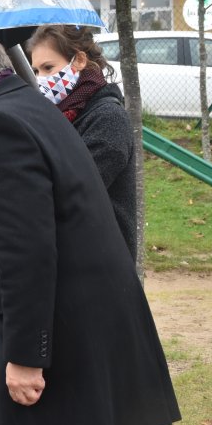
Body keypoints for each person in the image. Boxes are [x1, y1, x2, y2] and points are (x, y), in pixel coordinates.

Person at [0, 23, 180, 425]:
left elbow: (28, 250)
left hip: (54, 326)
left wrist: (26, 357)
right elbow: (42, 217)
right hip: (83, 314)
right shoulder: (30, 105)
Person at [27, 24, 137, 261]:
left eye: (48, 67)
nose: (41, 79)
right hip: (71, 255)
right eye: (36, 71)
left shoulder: (107, 117)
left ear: (78, 60)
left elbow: (73, 191)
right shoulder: (56, 116)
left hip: (102, 262)